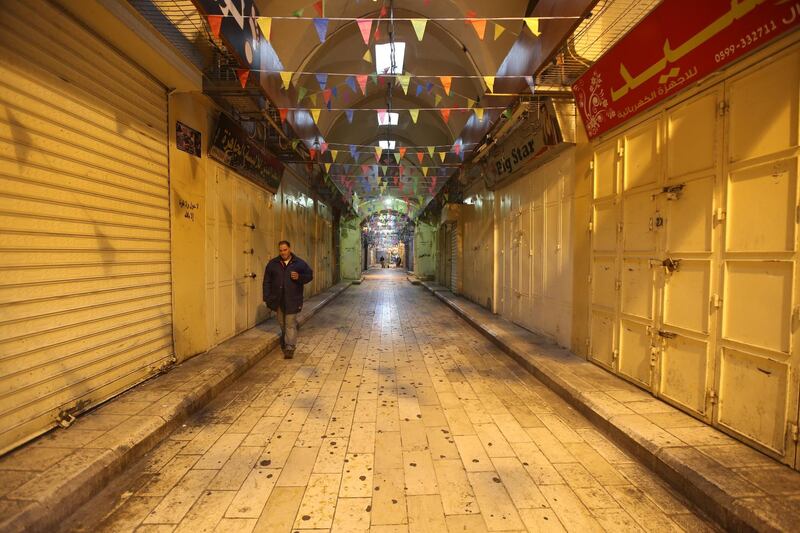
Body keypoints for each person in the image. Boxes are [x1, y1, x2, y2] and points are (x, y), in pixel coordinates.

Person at [263, 241, 313, 358]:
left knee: (290, 323)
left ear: (289, 249)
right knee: (282, 323)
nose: (283, 252)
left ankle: (290, 347)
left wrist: (299, 277)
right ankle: (287, 340)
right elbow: (266, 282)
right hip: (278, 299)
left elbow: (310, 275)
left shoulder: (299, 263)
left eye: (285, 250)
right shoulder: (273, 264)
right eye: (281, 250)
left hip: (293, 299)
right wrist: (266, 297)